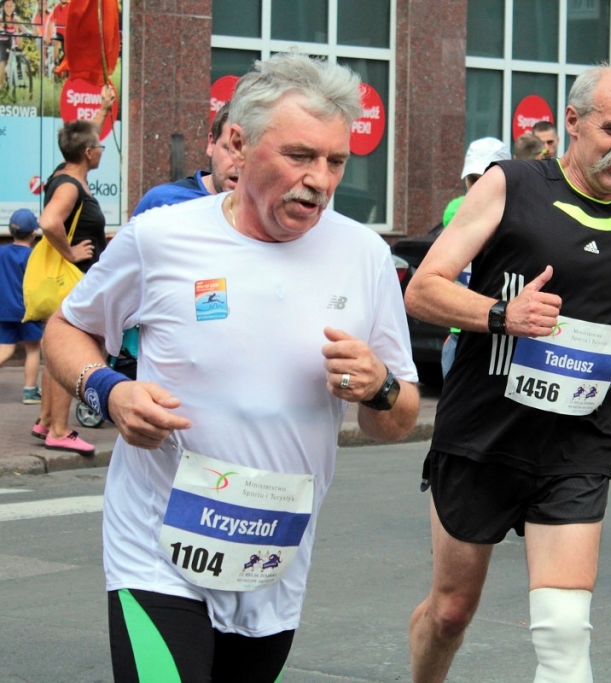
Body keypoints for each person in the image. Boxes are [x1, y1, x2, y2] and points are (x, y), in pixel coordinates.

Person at [40, 52, 420, 682]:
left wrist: (379, 387)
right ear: (238, 145)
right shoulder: (160, 237)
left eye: (335, 161)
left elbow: (397, 420)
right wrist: (109, 390)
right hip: (156, 548)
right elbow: (67, 327)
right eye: (299, 155)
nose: (319, 180)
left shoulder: (364, 256)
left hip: (271, 558)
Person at [406, 59, 611, 683]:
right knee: (451, 612)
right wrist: (501, 313)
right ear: (573, 121)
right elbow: (423, 289)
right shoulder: (511, 184)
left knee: (564, 630)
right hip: (484, 433)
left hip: (577, 440)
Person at [33, 84, 116, 456]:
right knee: (69, 350)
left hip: (71, 278)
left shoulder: (65, 172)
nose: (100, 149)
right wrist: (70, 252)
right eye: (98, 147)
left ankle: (45, 421)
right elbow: (49, 221)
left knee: (54, 349)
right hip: (73, 278)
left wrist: (103, 109)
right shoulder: (70, 186)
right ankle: (60, 430)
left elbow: (84, 137)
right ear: (88, 153)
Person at [439, 137, 511, 378]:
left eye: (486, 179)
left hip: (504, 333)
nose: (480, 188)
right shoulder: (456, 209)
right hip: (460, 332)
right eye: (474, 180)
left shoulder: (520, 212)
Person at [131, 102, 239, 216]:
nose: (238, 163)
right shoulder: (163, 202)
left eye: (247, 154)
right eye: (230, 149)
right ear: (212, 144)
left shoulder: (253, 213)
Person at [0, 208, 43, 404]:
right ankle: (30, 391)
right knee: (33, 349)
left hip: (4, 310)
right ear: (33, 233)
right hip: (28, 311)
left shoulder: (2, 252)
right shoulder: (33, 256)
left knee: (5, 349)